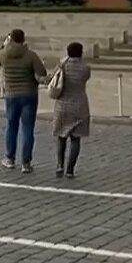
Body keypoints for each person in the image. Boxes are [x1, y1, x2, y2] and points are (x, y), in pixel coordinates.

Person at [0, 29, 48, 173]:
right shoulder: (31, 55)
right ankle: (26, 162)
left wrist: (3, 45)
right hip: (29, 94)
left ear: (10, 39)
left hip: (11, 95)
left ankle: (10, 158)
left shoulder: (4, 54)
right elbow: (42, 72)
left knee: (11, 126)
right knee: (28, 129)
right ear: (24, 39)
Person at [50, 42, 91, 179]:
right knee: (75, 139)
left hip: (63, 105)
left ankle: (59, 164)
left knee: (61, 137)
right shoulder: (85, 68)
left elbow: (53, 76)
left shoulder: (63, 66)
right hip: (79, 105)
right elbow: (85, 78)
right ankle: (70, 169)